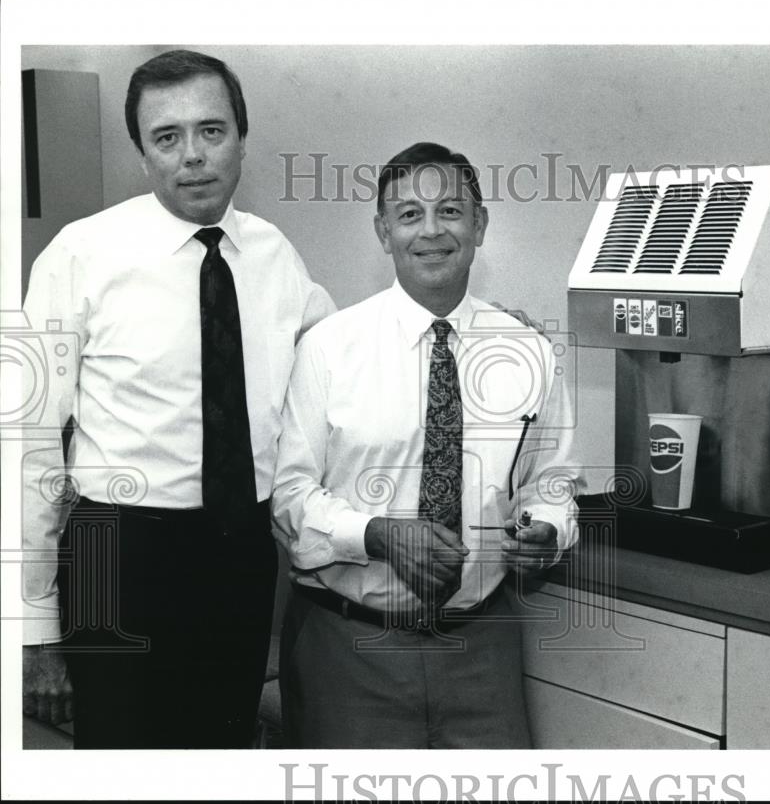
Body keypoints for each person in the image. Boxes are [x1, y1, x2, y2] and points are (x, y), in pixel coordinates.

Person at [20, 49, 335, 748]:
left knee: (219, 751)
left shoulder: (274, 254)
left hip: (240, 551)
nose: (193, 156)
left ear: (242, 139)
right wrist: (32, 624)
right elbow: (26, 444)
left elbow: (346, 356)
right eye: (167, 137)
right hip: (113, 552)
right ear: (141, 154)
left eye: (212, 131)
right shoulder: (80, 255)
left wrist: (468, 329)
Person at [270, 141, 581, 748]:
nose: (432, 231)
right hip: (351, 647)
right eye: (410, 214)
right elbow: (288, 498)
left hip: (481, 647)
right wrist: (378, 534)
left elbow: (551, 482)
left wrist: (547, 530)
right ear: (383, 231)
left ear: (481, 223)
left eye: (451, 212)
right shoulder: (329, 349)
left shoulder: (529, 351)